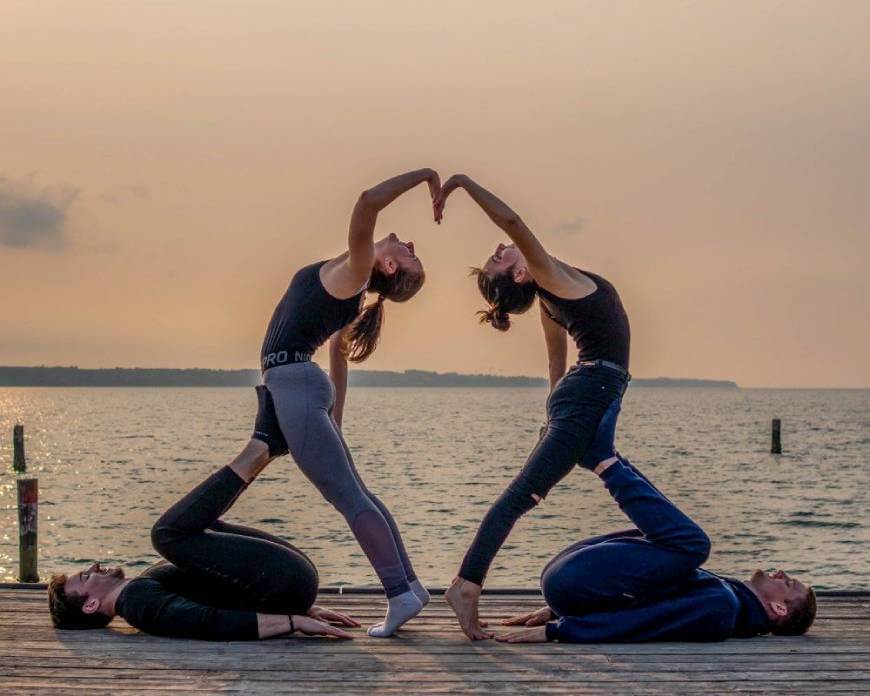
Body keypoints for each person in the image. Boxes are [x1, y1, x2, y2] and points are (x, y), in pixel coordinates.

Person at [433, 174, 632, 639]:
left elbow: (556, 359)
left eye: (500, 251)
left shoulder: (549, 294)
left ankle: (652, 564)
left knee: (613, 474)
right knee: (522, 495)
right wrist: (462, 183)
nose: (503, 247)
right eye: (501, 258)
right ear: (522, 274)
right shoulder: (548, 276)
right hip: (591, 394)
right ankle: (466, 584)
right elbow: (511, 218)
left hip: (588, 395)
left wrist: (554, 415)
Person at [260, 168, 438, 636]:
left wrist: (424, 176)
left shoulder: (359, 271)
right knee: (358, 495)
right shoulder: (350, 278)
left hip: (294, 382)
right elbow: (338, 351)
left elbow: (365, 204)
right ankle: (412, 588)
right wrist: (335, 417)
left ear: (389, 268)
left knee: (349, 498)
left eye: (411, 256)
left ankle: (400, 593)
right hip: (303, 384)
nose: (411, 246)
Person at [48, 387, 358, 640]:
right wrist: (291, 622)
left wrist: (302, 609)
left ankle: (267, 446)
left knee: (195, 526)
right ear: (90, 605)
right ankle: (263, 445)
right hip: (284, 584)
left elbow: (217, 593)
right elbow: (207, 622)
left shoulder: (139, 593)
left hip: (288, 586)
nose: (94, 565)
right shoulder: (138, 604)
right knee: (166, 534)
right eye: (85, 576)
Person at [495, 401, 817, 644]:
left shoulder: (722, 607)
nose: (782, 573)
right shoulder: (726, 594)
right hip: (569, 590)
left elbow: (645, 620)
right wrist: (558, 611)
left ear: (778, 609)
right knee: (673, 541)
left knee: (693, 545)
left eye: (788, 584)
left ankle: (603, 459)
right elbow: (647, 594)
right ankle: (608, 456)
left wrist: (560, 630)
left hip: (571, 586)